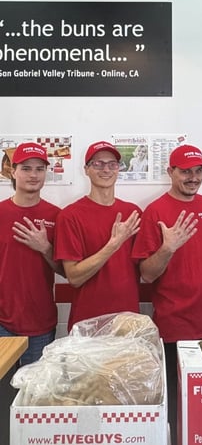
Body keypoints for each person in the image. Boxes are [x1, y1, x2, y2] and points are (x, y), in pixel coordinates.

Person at [132, 144, 202, 444]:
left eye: (198, 171)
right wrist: (168, 248)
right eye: (186, 171)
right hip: (174, 326)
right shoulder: (155, 211)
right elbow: (146, 273)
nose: (193, 177)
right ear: (170, 172)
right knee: (176, 406)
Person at [54, 141, 141, 331]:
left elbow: (146, 270)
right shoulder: (70, 215)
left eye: (112, 164)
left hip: (128, 323)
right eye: (98, 164)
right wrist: (113, 244)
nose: (106, 169)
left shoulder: (133, 213)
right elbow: (74, 277)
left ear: (118, 169)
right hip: (87, 324)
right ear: (86, 169)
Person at [0, 143, 63, 365]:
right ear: (13, 171)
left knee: (34, 393)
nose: (34, 175)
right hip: (2, 322)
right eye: (26, 168)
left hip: (40, 323)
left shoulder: (57, 215)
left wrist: (45, 247)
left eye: (40, 169)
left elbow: (67, 271)